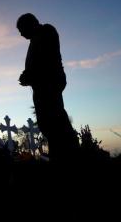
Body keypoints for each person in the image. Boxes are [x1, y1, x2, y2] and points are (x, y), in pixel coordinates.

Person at [16, 13, 79, 161]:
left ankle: (69, 156)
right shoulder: (35, 39)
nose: (21, 34)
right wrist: (27, 75)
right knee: (48, 124)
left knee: (55, 122)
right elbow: (37, 62)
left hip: (49, 83)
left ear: (30, 24)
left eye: (21, 29)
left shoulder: (46, 31)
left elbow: (46, 59)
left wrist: (30, 75)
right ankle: (61, 155)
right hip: (41, 85)